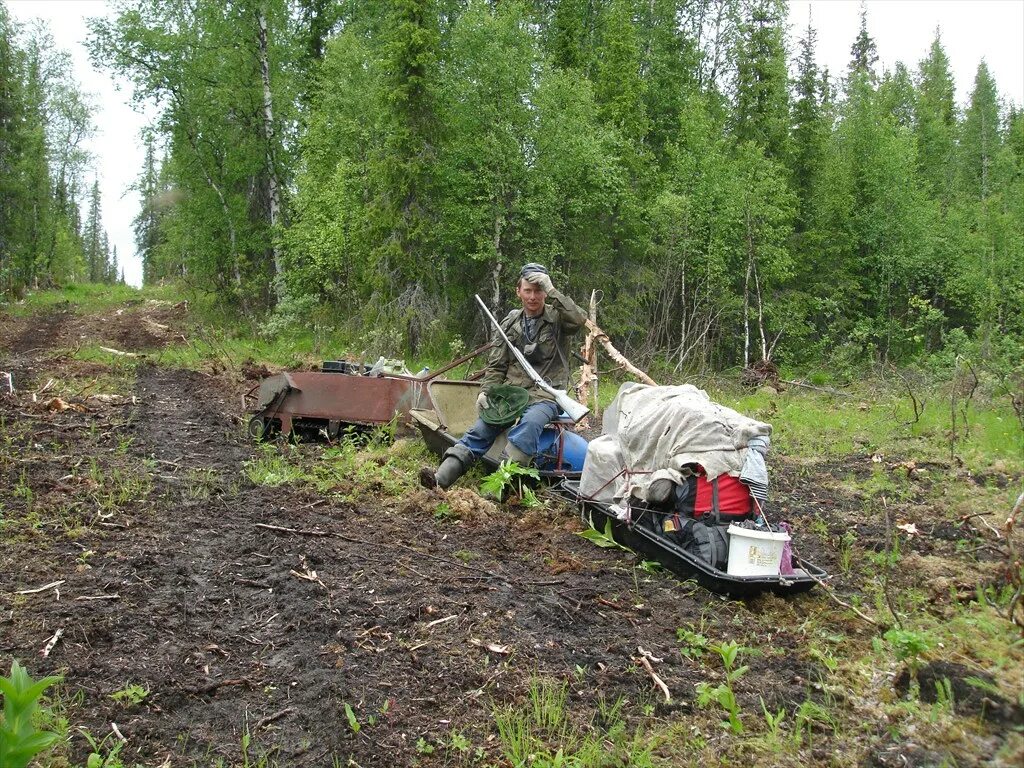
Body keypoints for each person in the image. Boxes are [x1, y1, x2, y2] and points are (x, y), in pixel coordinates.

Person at [420, 263, 588, 489]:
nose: (532, 297)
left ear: (545, 292)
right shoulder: (510, 323)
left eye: (538, 291)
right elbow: (497, 364)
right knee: (481, 429)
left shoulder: (559, 318)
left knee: (528, 426)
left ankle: (498, 487)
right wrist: (486, 392)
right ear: (518, 291)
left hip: (546, 396)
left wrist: (552, 290)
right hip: (511, 394)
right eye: (527, 290)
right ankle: (439, 480)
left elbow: (579, 320)